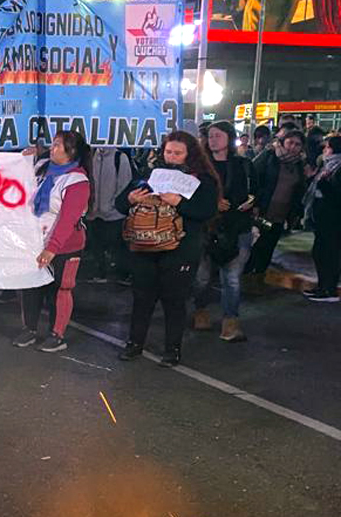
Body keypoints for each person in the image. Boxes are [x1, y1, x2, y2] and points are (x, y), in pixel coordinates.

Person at [117, 132, 221, 367]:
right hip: (145, 246)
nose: (172, 157)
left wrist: (180, 203)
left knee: (174, 300)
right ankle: (134, 343)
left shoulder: (203, 180)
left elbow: (206, 211)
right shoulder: (150, 174)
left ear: (190, 154)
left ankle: (172, 349)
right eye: (168, 152)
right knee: (142, 298)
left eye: (178, 153)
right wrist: (131, 199)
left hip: (181, 249)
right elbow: (120, 203)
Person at [14, 130, 91, 352]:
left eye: (58, 145)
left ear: (71, 152)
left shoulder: (77, 181)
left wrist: (52, 248)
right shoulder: (42, 168)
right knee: (30, 287)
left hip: (65, 245)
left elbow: (68, 219)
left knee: (61, 289)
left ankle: (57, 334)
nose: (52, 148)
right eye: (53, 144)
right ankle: (29, 329)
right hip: (35, 241)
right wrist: (25, 157)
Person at [192, 122, 255, 342]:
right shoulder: (199, 167)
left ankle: (231, 322)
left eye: (218, 136)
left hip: (237, 228)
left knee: (232, 278)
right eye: (210, 136)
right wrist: (213, 202)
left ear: (229, 138)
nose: (213, 140)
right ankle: (200, 310)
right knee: (201, 277)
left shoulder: (243, 165)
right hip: (207, 228)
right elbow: (191, 194)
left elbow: (255, 190)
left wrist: (252, 200)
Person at [246, 128, 308, 278]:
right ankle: (247, 271)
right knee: (256, 241)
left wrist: (295, 214)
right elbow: (253, 176)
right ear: (283, 142)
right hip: (262, 209)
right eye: (290, 142)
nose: (293, 147)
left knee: (270, 243)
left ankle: (259, 274)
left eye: (297, 144)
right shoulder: (270, 156)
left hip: (282, 213)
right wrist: (255, 203)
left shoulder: (299, 165)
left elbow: (299, 190)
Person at [85, 147, 134, 284]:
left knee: (116, 244)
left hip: (113, 213)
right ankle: (99, 271)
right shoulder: (91, 155)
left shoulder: (120, 157)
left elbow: (124, 185)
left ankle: (118, 274)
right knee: (96, 245)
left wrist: (113, 205)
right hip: (93, 212)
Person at [302, 134, 341, 302]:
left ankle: (329, 290)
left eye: (328, 147)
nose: (324, 150)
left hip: (334, 220)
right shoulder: (328, 166)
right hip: (323, 219)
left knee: (329, 254)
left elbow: (336, 195)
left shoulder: (337, 168)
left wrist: (322, 182)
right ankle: (322, 286)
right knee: (320, 252)